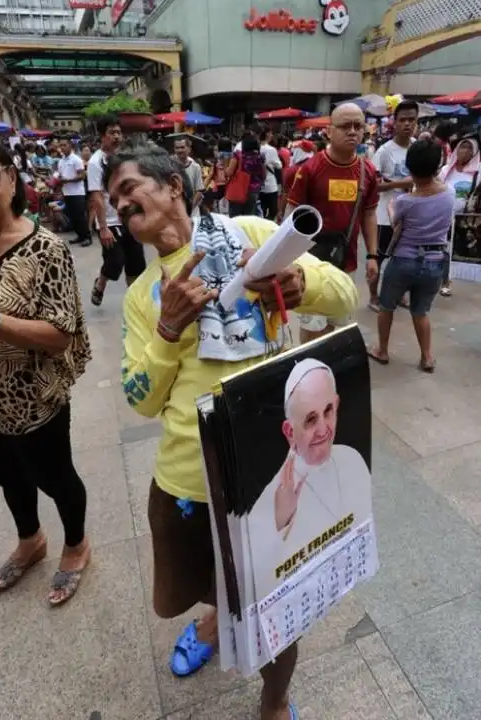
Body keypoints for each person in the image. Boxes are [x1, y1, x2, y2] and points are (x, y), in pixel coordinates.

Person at [107, 145, 358, 720]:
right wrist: (168, 328)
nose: (120, 202)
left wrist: (299, 282)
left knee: (277, 603)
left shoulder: (250, 231)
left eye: (130, 187)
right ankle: (216, 619)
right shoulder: (144, 293)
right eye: (115, 197)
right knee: (212, 581)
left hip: (275, 465)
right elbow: (141, 401)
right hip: (189, 479)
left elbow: (345, 295)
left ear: (174, 186)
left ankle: (273, 702)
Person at [0, 121, 91, 604]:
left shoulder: (44, 248)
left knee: (56, 479)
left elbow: (60, 334)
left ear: (11, 177)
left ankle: (76, 544)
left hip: (35, 400)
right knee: (5, 477)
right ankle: (30, 540)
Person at [248, 360, 371, 598]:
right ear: (289, 432)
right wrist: (281, 522)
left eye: (328, 411)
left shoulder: (353, 459)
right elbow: (257, 577)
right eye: (311, 420)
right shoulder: (275, 496)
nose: (324, 430)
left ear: (337, 405)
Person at [286, 103, 379, 343]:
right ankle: (309, 371)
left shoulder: (366, 170)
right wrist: (290, 259)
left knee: (338, 323)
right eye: (345, 126)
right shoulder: (310, 168)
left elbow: (369, 214)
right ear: (329, 131)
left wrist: (372, 256)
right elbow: (292, 214)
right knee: (312, 326)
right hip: (312, 263)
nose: (352, 131)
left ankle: (327, 371)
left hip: (345, 263)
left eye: (358, 126)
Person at [369, 139, 454, 373]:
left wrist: (390, 208)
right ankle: (427, 357)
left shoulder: (405, 202)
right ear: (437, 167)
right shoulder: (450, 194)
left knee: (387, 306)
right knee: (421, 311)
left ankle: (382, 350)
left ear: (409, 167)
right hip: (435, 262)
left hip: (404, 261)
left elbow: (395, 220)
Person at [88, 115, 146, 306]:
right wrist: (103, 227)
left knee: (136, 263)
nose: (117, 136)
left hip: (128, 217)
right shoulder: (96, 163)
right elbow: (96, 196)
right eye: (112, 133)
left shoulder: (124, 159)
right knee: (115, 262)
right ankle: (101, 283)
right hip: (109, 222)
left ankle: (134, 303)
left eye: (119, 132)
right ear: (102, 136)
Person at [369, 99, 419, 311]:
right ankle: (373, 296)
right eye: (403, 120)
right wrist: (402, 183)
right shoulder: (384, 151)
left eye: (411, 120)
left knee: (406, 259)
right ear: (395, 123)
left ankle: (401, 294)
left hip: (411, 214)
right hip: (384, 215)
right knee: (377, 259)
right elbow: (374, 186)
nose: (407, 124)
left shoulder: (418, 148)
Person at [439, 137, 480, 296]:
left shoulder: (478, 172)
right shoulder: (446, 170)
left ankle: (447, 281)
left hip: (463, 219)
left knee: (452, 250)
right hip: (443, 216)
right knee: (442, 248)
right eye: (462, 147)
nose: (465, 151)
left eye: (469, 148)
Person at [58, 136, 92, 247]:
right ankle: (80, 235)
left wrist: (68, 180)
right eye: (61, 145)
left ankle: (87, 237)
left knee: (80, 216)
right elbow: (61, 175)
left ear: (70, 146)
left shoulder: (76, 159)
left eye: (64, 145)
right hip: (67, 192)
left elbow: (82, 175)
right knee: (73, 216)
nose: (62, 147)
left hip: (77, 193)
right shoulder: (61, 161)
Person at [226, 132, 266, 218]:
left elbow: (229, 172)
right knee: (248, 218)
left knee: (235, 219)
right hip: (253, 192)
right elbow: (264, 176)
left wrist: (226, 166)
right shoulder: (260, 157)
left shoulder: (238, 155)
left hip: (238, 190)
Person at [259, 127, 282, 221]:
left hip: (258, 184)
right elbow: (279, 165)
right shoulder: (271, 149)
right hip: (270, 183)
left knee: (261, 209)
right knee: (273, 210)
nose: (272, 135)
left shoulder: (256, 147)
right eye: (271, 133)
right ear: (267, 134)